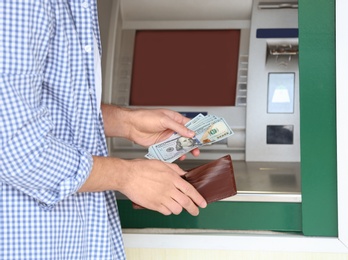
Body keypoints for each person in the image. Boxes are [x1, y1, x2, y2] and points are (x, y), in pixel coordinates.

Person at [0, 1, 207, 259]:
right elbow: (13, 148)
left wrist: (127, 122)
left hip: (72, 237)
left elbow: (46, 102)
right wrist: (127, 176)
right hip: (29, 242)